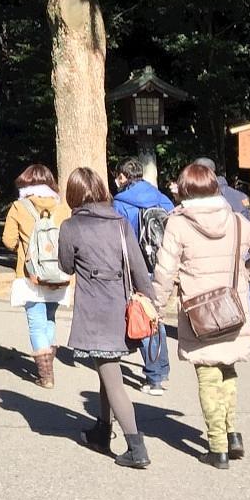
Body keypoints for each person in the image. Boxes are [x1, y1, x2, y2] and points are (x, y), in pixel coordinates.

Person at [151, 160, 250, 468]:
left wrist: (156, 306)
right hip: (233, 309)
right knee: (228, 370)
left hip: (199, 314)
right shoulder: (235, 220)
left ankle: (217, 446)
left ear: (184, 189)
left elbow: (164, 271)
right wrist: (246, 274)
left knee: (208, 376)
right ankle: (232, 434)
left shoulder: (178, 223)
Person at [57, 166, 154, 470]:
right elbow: (138, 266)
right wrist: (151, 301)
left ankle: (136, 447)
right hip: (121, 308)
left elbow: (66, 266)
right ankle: (101, 429)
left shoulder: (71, 226)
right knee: (106, 370)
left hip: (95, 311)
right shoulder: (119, 222)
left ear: (73, 194)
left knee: (112, 379)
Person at [1, 162, 72, 387]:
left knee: (36, 322)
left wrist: (24, 249)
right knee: (49, 318)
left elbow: (8, 240)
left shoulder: (19, 207)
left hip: (29, 274)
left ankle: (46, 374)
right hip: (58, 273)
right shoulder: (62, 207)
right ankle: (48, 363)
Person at [111, 157, 174, 394]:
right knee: (155, 315)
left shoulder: (120, 203)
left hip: (136, 266)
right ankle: (161, 368)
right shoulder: (161, 198)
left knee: (143, 316)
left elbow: (118, 239)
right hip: (162, 265)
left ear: (122, 177)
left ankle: (154, 376)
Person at [202, 158, 250, 355]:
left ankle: (228, 335)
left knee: (221, 294)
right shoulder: (240, 196)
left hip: (222, 252)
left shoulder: (209, 196)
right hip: (244, 250)